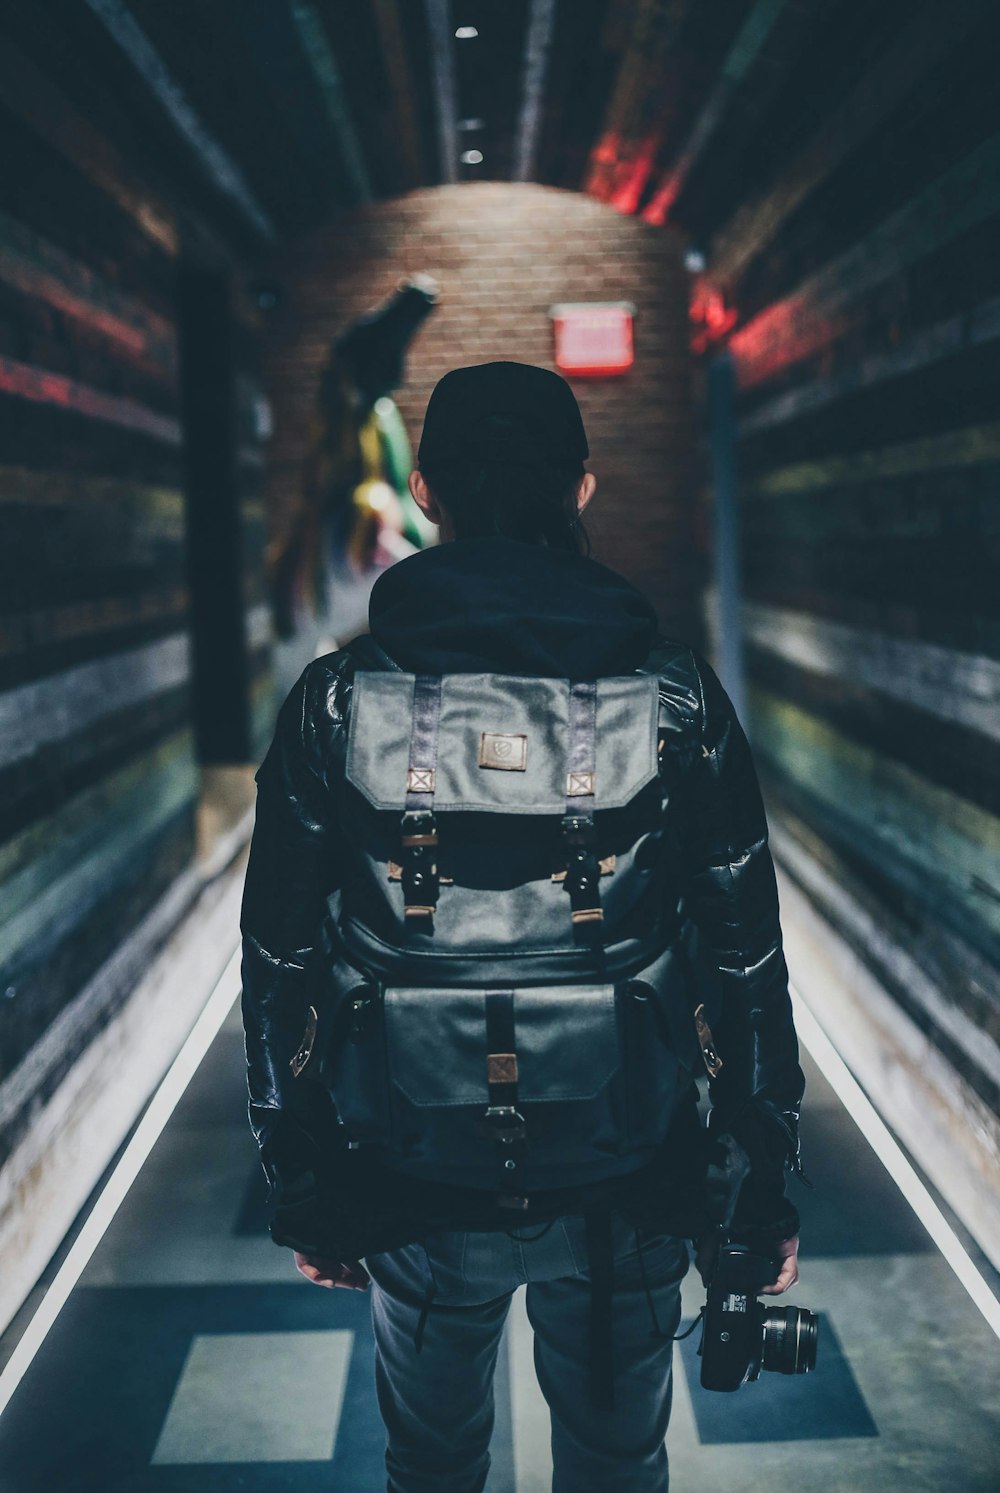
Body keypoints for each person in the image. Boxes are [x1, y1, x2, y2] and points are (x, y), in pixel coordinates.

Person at [240, 361, 805, 1493]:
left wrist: (303, 1177)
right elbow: (741, 951)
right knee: (615, 1467)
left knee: (432, 1464)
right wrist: (756, 1188)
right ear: (582, 486)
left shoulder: (339, 703)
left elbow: (280, 957)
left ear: (428, 490)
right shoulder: (674, 697)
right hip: (627, 1171)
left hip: (412, 1168)